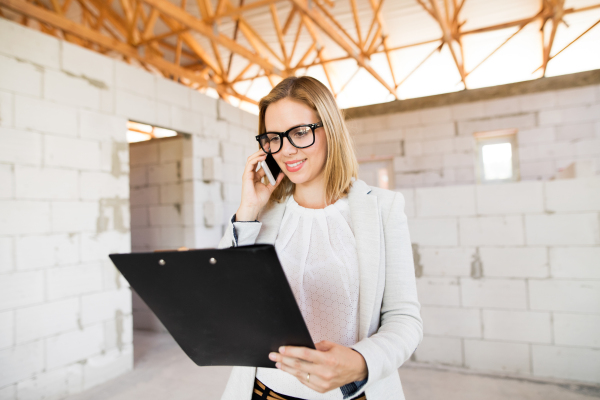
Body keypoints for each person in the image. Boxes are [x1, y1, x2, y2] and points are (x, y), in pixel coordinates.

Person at [218, 76, 423, 400]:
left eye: (300, 133)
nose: (286, 151)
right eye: (273, 138)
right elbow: (224, 298)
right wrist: (248, 211)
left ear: (330, 129)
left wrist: (359, 363)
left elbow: (404, 320)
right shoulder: (263, 214)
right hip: (263, 392)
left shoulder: (384, 209)